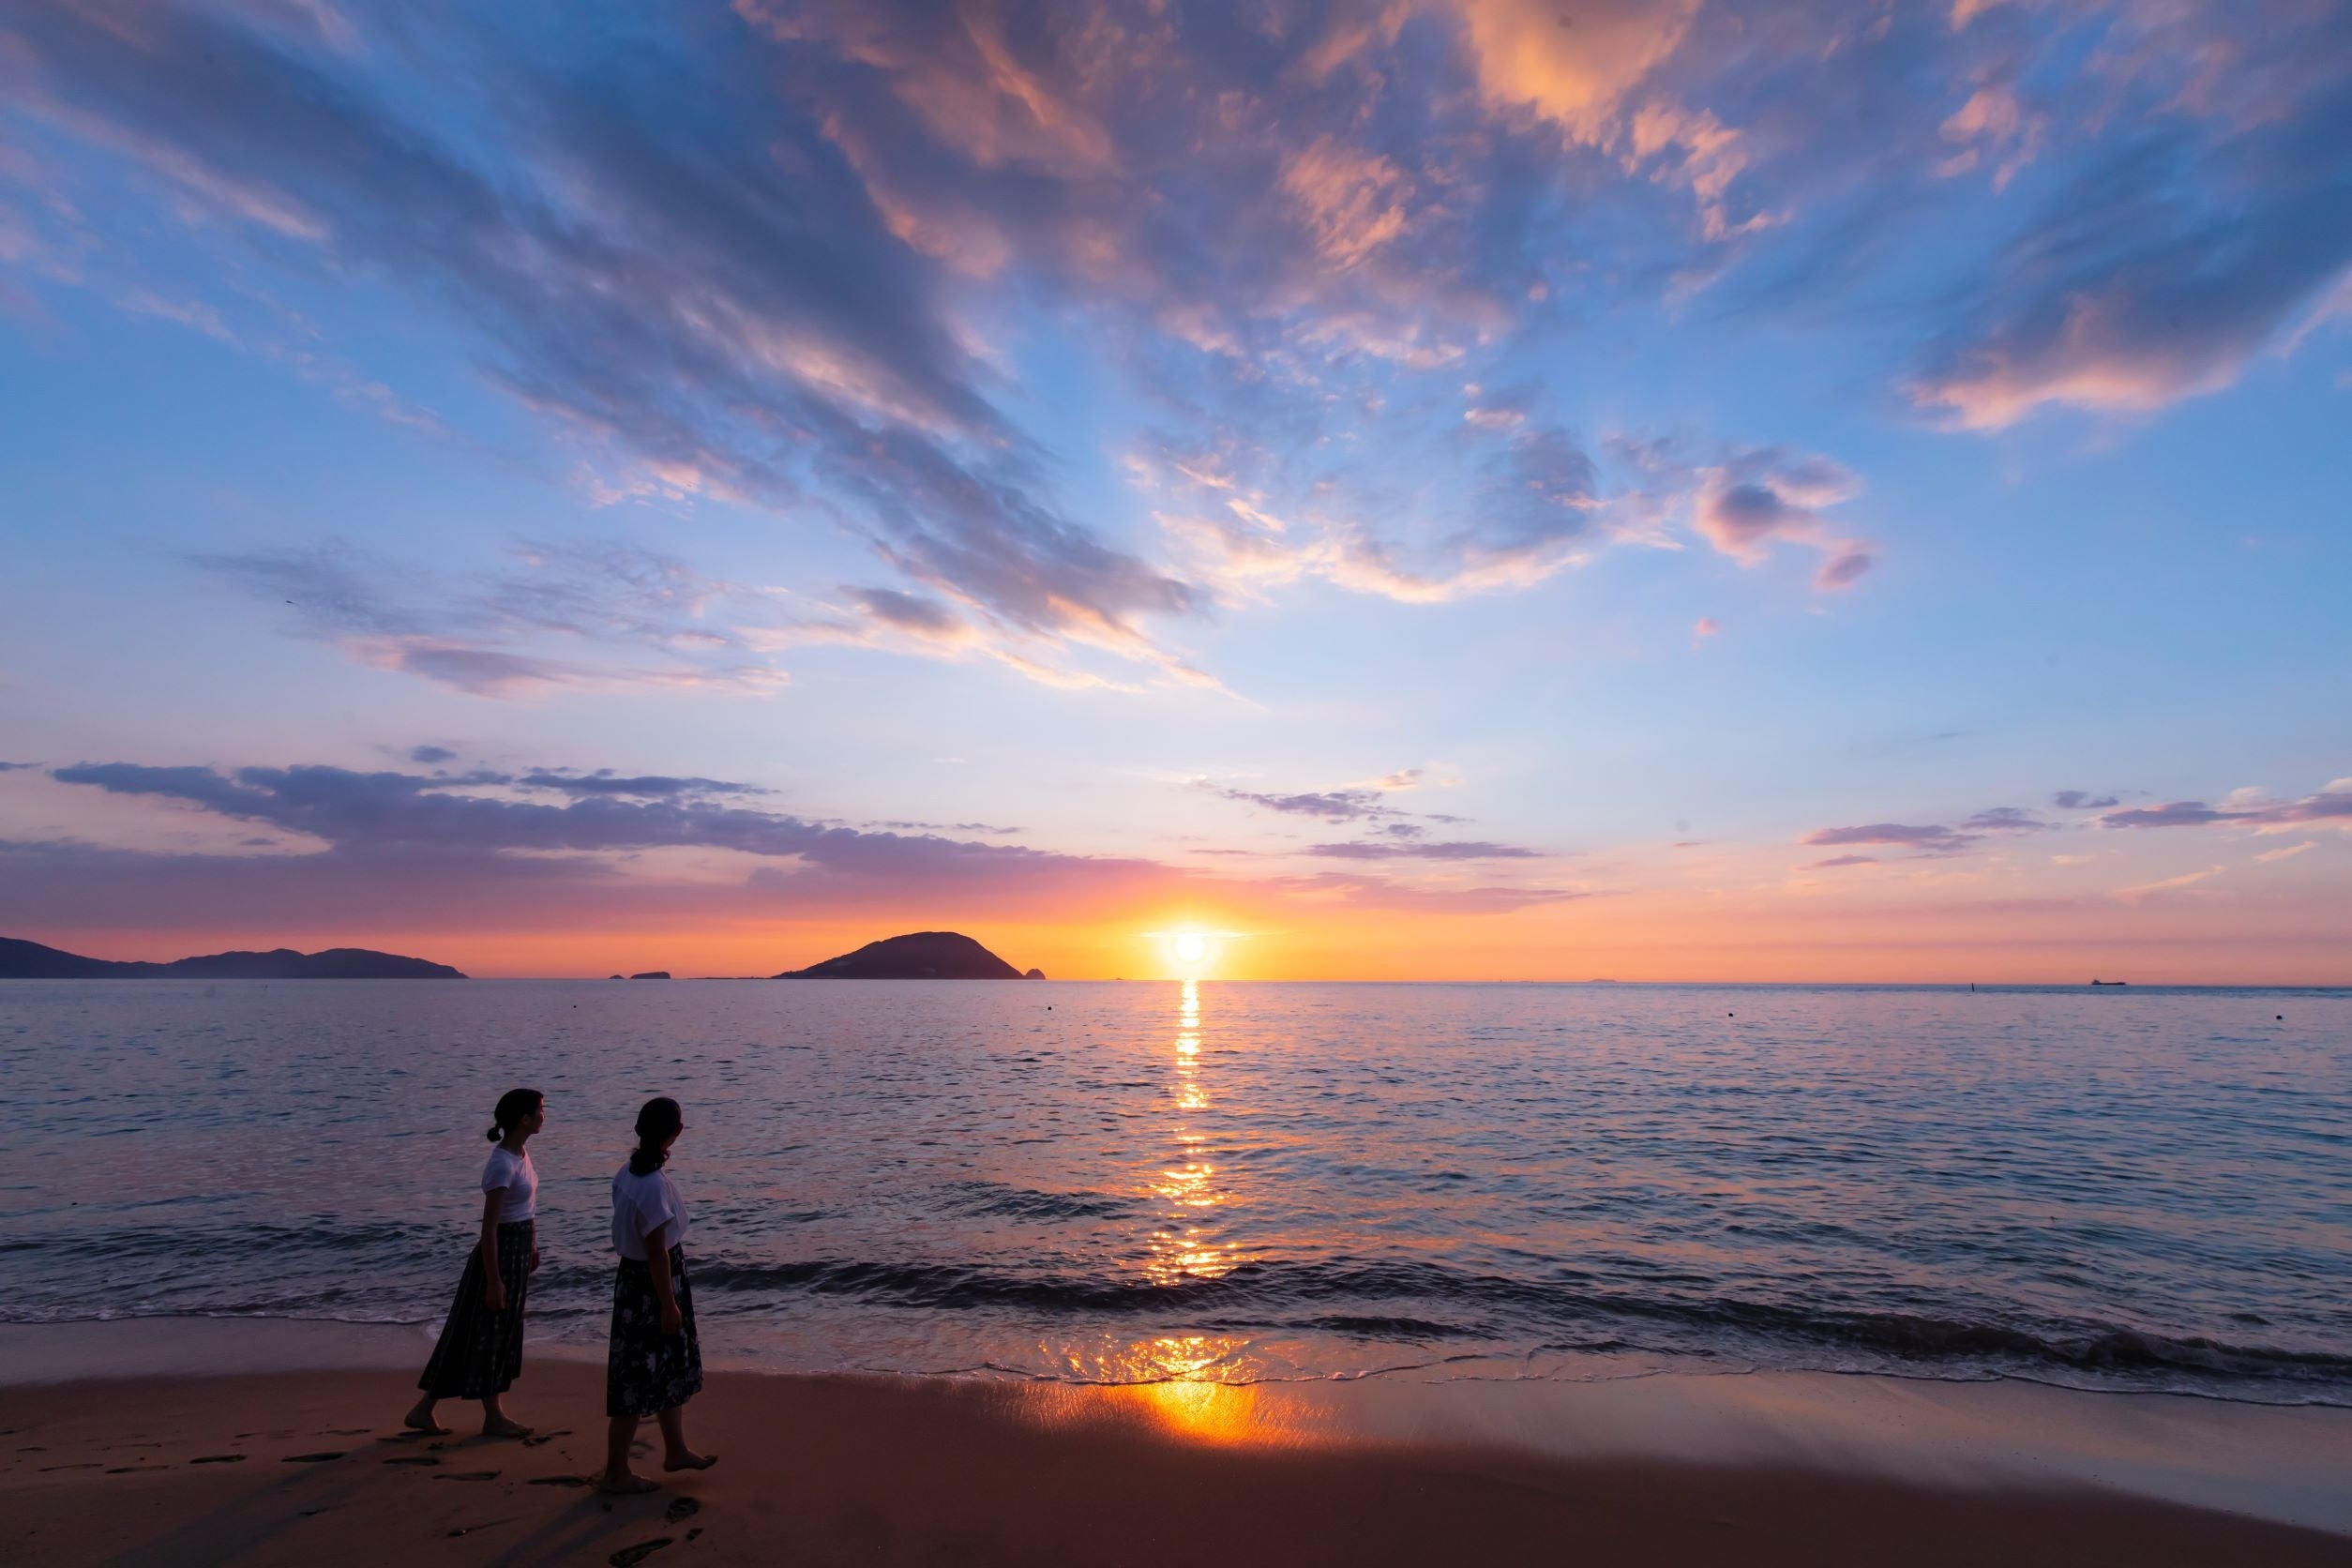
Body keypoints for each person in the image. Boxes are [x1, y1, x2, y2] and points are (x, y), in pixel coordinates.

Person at [407, 1087, 545, 1438]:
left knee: (490, 1334)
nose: (545, 1116)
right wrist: (495, 1280)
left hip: (517, 1250)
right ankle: (491, 1416)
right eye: (540, 1110)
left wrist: (533, 1244)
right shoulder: (500, 1164)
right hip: (497, 1257)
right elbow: (489, 1229)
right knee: (483, 1334)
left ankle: (427, 1410)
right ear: (524, 1119)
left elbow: (525, 1209)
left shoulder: (521, 1153)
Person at [598, 1095, 718, 1493]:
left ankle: (676, 1449)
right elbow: (656, 1252)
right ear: (676, 1133)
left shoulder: (628, 1173)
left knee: (668, 1367)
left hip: (637, 1279)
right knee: (635, 1377)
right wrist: (668, 1303)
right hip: (652, 1284)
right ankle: (616, 1471)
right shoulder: (649, 1185)